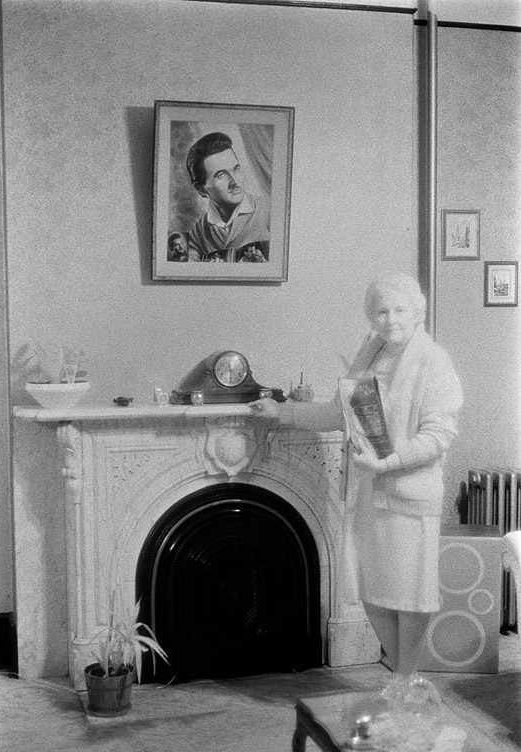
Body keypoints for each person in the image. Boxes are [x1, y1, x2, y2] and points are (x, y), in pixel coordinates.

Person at [249, 272, 463, 680]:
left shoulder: (433, 360)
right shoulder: (371, 353)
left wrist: (391, 462)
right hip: (367, 490)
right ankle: (402, 677)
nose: (391, 319)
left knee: (411, 595)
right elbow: (339, 414)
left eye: (400, 309)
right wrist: (283, 414)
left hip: (407, 493)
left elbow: (439, 436)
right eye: (381, 311)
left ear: (416, 311)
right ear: (371, 316)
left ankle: (405, 678)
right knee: (370, 590)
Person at [185, 132, 270, 262]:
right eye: (221, 175)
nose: (234, 181)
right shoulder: (198, 233)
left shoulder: (269, 211)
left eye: (236, 168)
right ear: (201, 189)